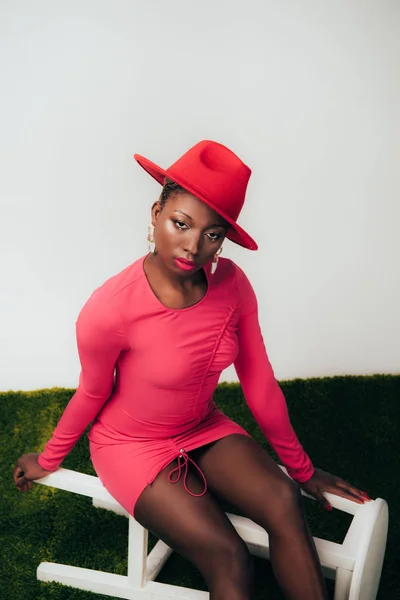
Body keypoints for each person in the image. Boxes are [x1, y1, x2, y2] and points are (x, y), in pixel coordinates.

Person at [14, 140, 371, 600]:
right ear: (156, 211)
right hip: (131, 447)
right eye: (180, 223)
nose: (193, 245)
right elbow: (92, 392)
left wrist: (301, 472)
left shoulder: (233, 285)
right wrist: (47, 460)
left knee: (284, 502)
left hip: (202, 426)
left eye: (213, 233)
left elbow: (259, 383)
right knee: (229, 557)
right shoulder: (108, 309)